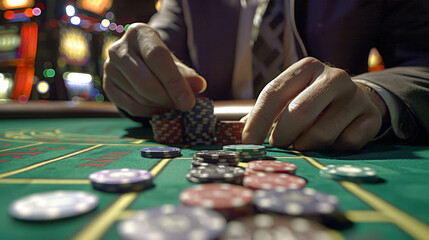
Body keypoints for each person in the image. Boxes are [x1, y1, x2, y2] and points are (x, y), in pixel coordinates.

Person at [103, 0, 429, 152]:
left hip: (333, 141)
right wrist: (133, 73)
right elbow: (149, 55)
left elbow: (422, 62)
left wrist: (373, 94)